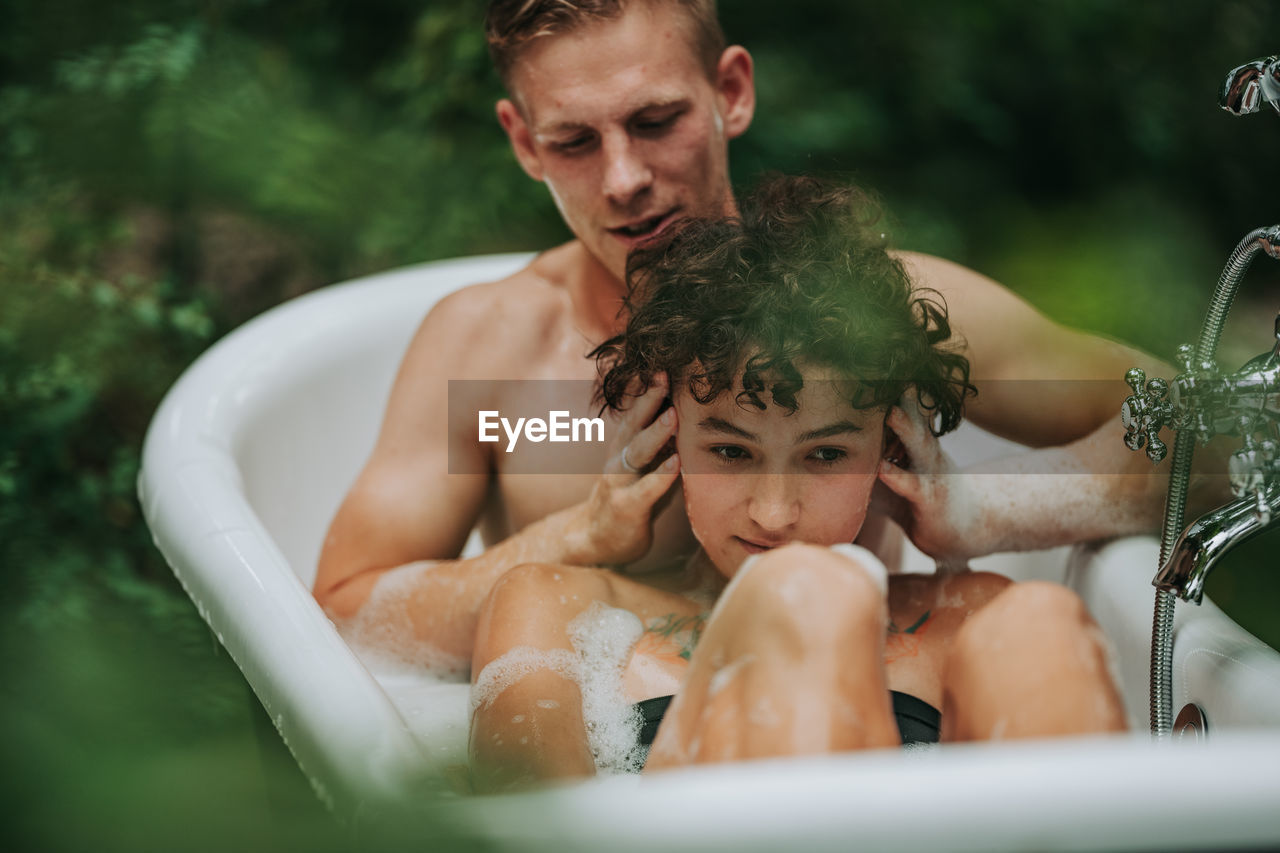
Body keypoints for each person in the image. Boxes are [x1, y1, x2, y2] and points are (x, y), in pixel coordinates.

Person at [311, 0, 1202, 669]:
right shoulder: (496, 356)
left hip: (868, 721)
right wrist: (577, 537)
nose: (624, 178)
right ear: (524, 144)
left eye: (656, 122)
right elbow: (346, 614)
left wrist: (984, 512)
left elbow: (1214, 438)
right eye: (575, 142)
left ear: (730, 91)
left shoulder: (877, 310)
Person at [467, 175, 1127, 791]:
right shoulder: (557, 608)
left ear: (887, 450)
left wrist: (982, 512)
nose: (774, 513)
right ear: (670, 436)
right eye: (730, 450)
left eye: (825, 455)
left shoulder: (972, 621)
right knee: (812, 594)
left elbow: (1204, 428)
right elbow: (520, 829)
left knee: (1043, 618)